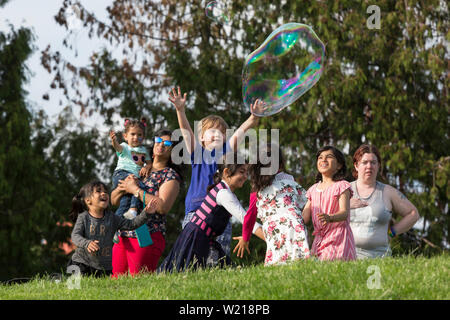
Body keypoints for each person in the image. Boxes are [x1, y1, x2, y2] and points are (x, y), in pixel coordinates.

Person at [169, 86, 266, 264]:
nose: (217, 134)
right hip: (196, 212)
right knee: (192, 257)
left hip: (221, 214)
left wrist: (253, 118)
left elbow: (239, 133)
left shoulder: (225, 155)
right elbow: (186, 132)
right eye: (211, 131)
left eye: (221, 132)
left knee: (218, 258)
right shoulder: (197, 154)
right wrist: (180, 110)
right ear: (202, 139)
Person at [158, 154, 263, 272]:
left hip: (203, 237)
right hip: (196, 237)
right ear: (227, 172)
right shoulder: (224, 194)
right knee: (182, 272)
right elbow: (247, 220)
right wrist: (271, 238)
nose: (245, 176)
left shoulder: (226, 192)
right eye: (242, 172)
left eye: (246, 172)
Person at [110, 128, 183, 276]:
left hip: (146, 234)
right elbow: (113, 200)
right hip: (122, 234)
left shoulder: (170, 175)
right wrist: (124, 188)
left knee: (138, 285)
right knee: (116, 285)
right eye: (158, 140)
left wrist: (135, 190)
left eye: (167, 143)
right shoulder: (137, 168)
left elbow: (162, 207)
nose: (161, 145)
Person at [233, 144, 310, 265]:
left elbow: (250, 216)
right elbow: (307, 200)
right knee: (298, 258)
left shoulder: (257, 189)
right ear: (280, 163)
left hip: (273, 226)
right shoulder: (289, 179)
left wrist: (245, 237)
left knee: (277, 260)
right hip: (294, 222)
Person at [68, 180, 158, 276]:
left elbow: (131, 224)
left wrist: (146, 213)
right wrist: (87, 243)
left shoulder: (112, 218)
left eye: (105, 192)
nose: (104, 193)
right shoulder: (83, 217)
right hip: (81, 262)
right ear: (88, 200)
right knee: (75, 288)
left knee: (99, 290)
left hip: (103, 267)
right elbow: (75, 236)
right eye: (98, 191)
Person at [349, 144, 420, 259]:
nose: (369, 166)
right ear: (356, 165)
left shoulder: (388, 192)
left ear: (378, 166)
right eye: (364, 162)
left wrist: (392, 232)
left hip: (380, 257)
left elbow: (413, 214)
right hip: (348, 257)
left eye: (373, 162)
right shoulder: (344, 191)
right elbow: (327, 215)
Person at [302, 146, 356, 261]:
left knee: (333, 268)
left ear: (339, 165)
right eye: (320, 158)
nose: (323, 160)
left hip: (338, 237)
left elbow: (344, 212)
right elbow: (304, 218)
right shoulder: (312, 190)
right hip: (319, 239)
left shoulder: (342, 185)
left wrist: (330, 217)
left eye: (329, 157)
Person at [109, 117, 152, 219]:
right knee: (140, 186)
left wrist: (147, 167)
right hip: (121, 174)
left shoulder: (144, 150)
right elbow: (117, 147)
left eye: (139, 135)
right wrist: (114, 141)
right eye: (132, 134)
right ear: (125, 136)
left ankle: (115, 225)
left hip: (132, 178)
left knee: (125, 201)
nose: (136, 137)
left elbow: (149, 163)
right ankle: (133, 210)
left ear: (143, 137)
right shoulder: (125, 147)